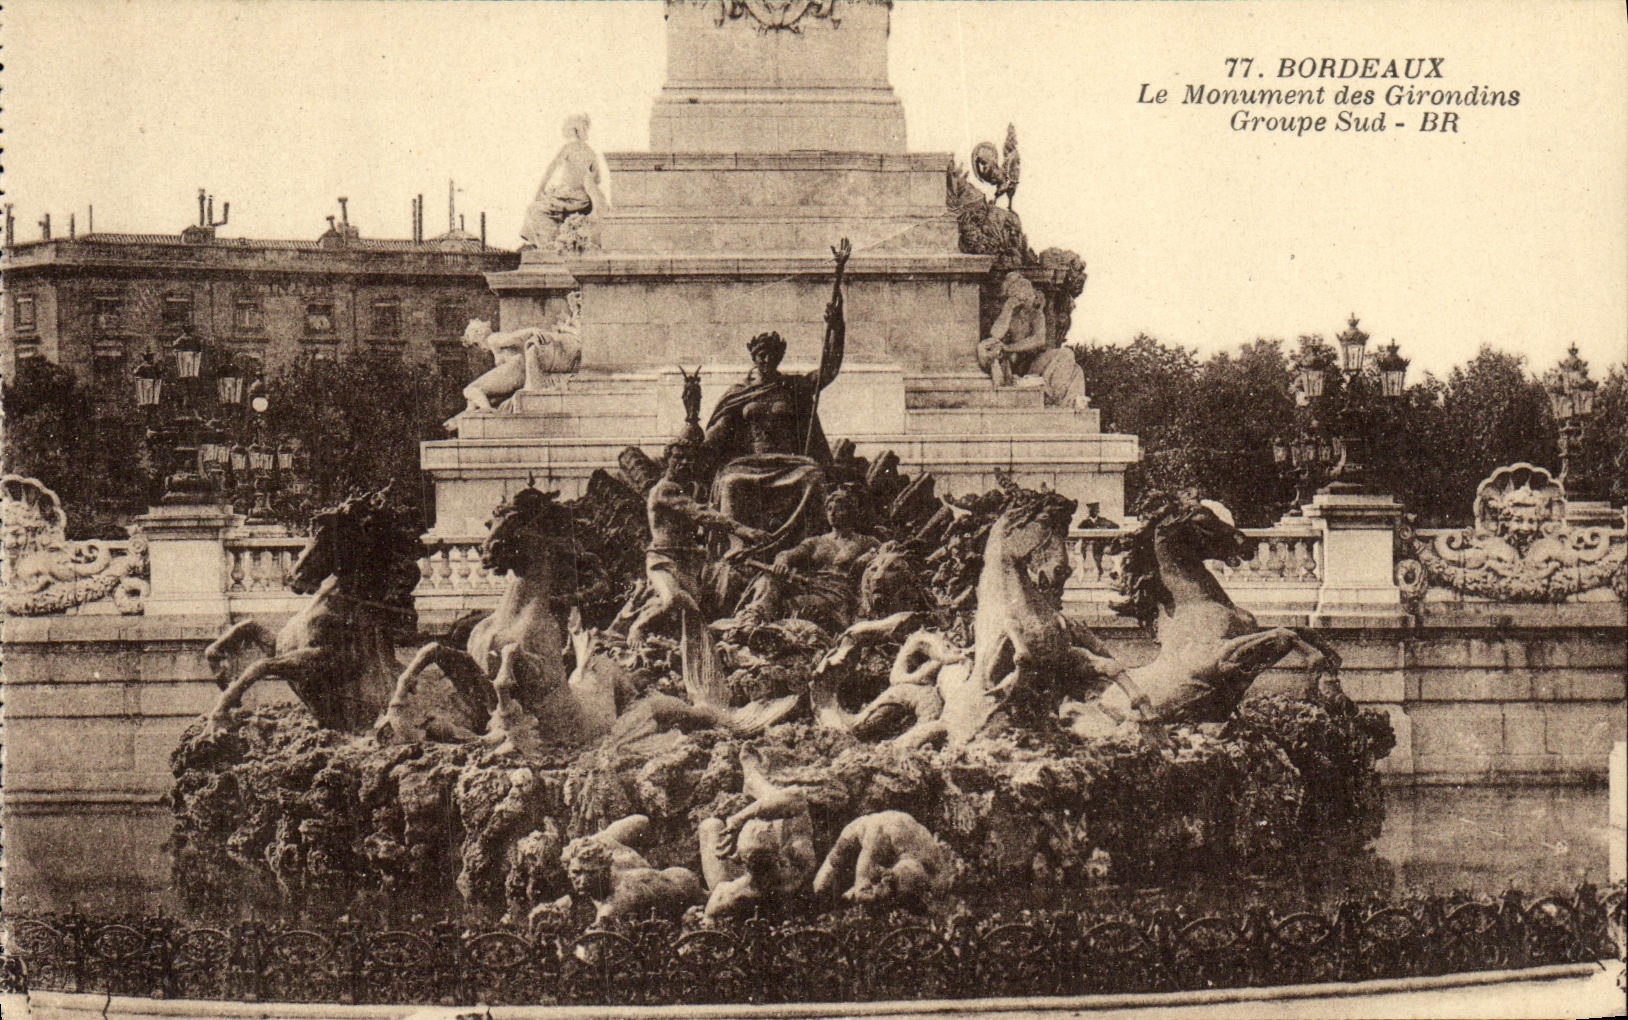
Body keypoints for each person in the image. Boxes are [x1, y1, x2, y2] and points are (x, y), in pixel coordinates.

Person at [703, 239, 852, 606]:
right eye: (760, 354)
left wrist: (838, 325)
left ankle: (808, 550)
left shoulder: (792, 386)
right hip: (748, 462)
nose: (766, 359)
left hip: (788, 462)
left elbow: (829, 369)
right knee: (733, 483)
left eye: (772, 354)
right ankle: (738, 550)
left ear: (779, 357)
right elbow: (718, 434)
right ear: (753, 357)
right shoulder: (739, 393)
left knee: (814, 477)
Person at [730, 486, 880, 635]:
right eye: (829, 509)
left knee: (796, 606)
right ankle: (751, 619)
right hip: (809, 586)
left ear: (851, 512)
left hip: (837, 596)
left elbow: (886, 556)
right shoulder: (815, 542)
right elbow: (787, 554)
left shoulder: (866, 542)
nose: (832, 513)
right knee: (769, 579)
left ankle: (766, 626)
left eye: (839, 509)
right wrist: (781, 563)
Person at [520, 114, 608, 250]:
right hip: (583, 199)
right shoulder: (591, 153)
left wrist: (539, 191)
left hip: (566, 197)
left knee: (533, 210)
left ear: (574, 131)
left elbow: (550, 169)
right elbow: (598, 179)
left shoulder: (568, 148)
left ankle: (547, 245)